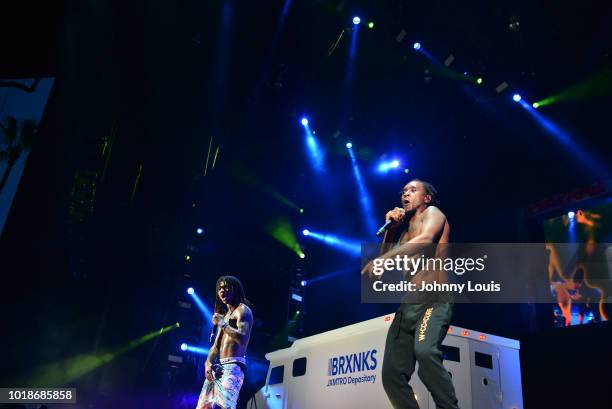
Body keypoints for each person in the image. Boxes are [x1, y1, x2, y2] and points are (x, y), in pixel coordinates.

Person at [362, 179, 459, 409]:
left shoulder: (434, 213)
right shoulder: (404, 234)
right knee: (391, 375)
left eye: (413, 190)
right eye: (403, 191)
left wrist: (383, 259)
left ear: (426, 198)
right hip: (408, 306)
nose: (406, 194)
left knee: (425, 353)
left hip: (433, 301)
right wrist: (391, 230)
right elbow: (379, 272)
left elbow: (425, 241)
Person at [196, 276, 253, 409]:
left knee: (226, 407)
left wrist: (221, 323)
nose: (222, 291)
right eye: (219, 288)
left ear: (235, 289)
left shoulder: (243, 311)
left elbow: (243, 339)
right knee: (203, 406)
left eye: (226, 287)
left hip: (233, 366)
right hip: (218, 367)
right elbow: (216, 346)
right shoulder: (226, 315)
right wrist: (208, 363)